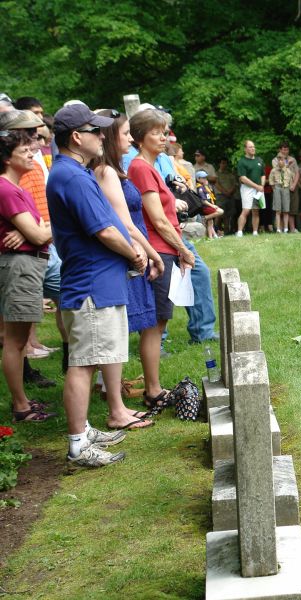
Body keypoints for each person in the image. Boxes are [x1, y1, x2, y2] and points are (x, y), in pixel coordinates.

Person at [47, 104, 147, 466]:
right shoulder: (71, 177)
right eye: (95, 130)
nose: (102, 136)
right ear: (77, 137)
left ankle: (85, 430)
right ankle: (78, 444)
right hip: (91, 286)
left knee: (88, 359)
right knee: (84, 363)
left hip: (99, 283)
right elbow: (103, 230)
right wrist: (134, 254)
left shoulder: (75, 172)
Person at [91, 108, 162, 430]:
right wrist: (151, 254)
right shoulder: (106, 171)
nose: (131, 139)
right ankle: (113, 399)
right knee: (116, 329)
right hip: (129, 253)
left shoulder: (113, 170)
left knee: (119, 327)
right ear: (109, 137)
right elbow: (125, 224)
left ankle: (112, 389)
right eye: (125, 134)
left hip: (134, 251)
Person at [126, 108, 195, 412]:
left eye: (164, 132)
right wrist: (183, 249)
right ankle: (153, 391)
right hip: (159, 251)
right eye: (156, 132)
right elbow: (158, 219)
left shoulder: (151, 167)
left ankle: (153, 386)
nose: (163, 137)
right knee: (154, 324)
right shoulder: (141, 168)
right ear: (140, 137)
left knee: (160, 321)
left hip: (165, 250)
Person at [0, 128, 55, 422]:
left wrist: (33, 231)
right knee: (15, 340)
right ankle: (21, 407)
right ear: (7, 159)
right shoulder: (6, 189)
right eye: (24, 151)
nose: (32, 154)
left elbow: (41, 228)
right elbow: (41, 233)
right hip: (20, 266)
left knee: (19, 340)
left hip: (27, 263)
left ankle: (22, 401)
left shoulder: (17, 188)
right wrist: (39, 230)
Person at [236, 140, 265, 236]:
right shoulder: (242, 161)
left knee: (256, 210)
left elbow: (263, 175)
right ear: (245, 149)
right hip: (247, 189)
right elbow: (243, 178)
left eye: (253, 146)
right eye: (250, 147)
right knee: (246, 210)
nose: (253, 148)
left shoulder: (259, 160)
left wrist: (261, 186)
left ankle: (255, 232)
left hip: (259, 189)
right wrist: (257, 186)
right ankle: (239, 232)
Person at [269, 142, 298, 233]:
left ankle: (289, 229)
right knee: (278, 209)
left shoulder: (292, 160)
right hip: (278, 187)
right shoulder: (275, 160)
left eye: (287, 149)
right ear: (280, 150)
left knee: (288, 209)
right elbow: (278, 170)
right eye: (284, 149)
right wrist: (287, 164)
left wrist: (293, 185)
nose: (286, 151)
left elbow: (296, 173)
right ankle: (279, 228)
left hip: (289, 186)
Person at [195, 170, 224, 237]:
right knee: (220, 211)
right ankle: (204, 218)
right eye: (203, 178)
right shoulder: (200, 188)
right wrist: (212, 206)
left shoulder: (205, 187)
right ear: (198, 179)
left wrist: (206, 185)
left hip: (208, 206)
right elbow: (203, 201)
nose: (205, 179)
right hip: (205, 207)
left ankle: (212, 237)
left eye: (206, 177)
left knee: (210, 222)